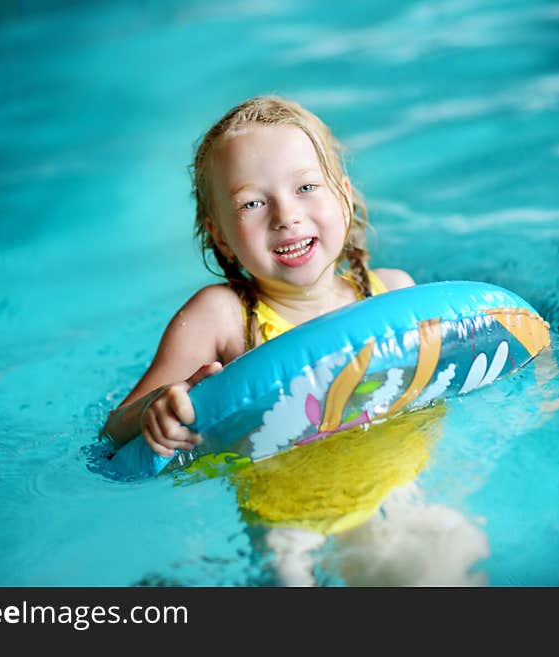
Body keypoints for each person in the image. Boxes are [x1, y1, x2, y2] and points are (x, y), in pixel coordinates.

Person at [102, 95, 488, 586]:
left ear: (343, 196)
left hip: (396, 488)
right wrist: (157, 407)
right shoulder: (221, 317)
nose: (286, 215)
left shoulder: (393, 293)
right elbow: (114, 433)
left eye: (306, 187)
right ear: (220, 235)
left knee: (452, 565)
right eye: (252, 203)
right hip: (285, 518)